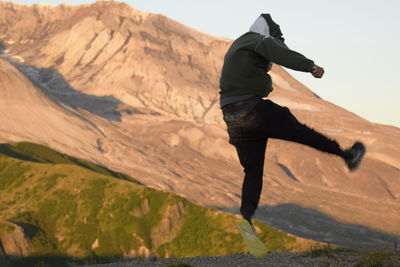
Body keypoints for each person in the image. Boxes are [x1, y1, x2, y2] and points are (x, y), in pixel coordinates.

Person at [219, 13, 366, 258]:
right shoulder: (259, 39)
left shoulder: (237, 47)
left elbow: (250, 79)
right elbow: (280, 53)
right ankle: (346, 155)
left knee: (253, 171)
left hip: (231, 117)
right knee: (302, 132)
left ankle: (246, 218)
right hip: (253, 110)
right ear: (269, 35)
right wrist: (311, 66)